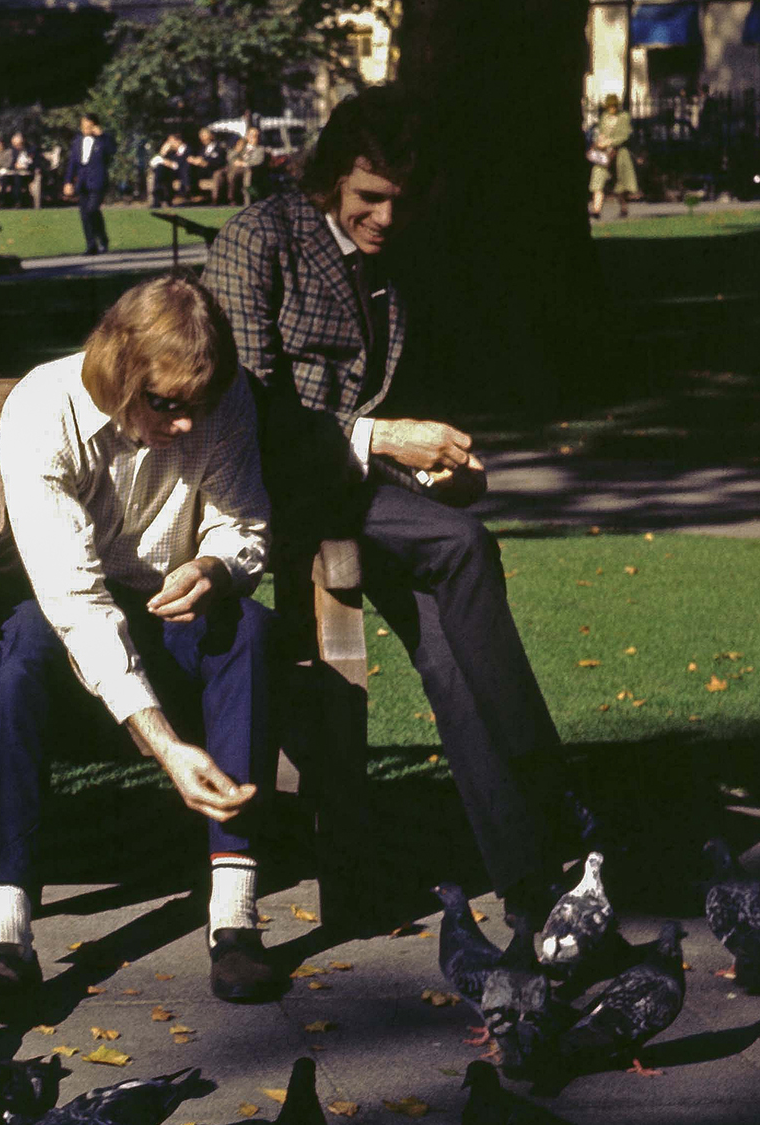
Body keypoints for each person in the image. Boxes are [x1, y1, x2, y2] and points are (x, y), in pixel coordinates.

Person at [203, 85, 565, 927]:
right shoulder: (259, 240)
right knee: (465, 548)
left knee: (447, 644)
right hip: (276, 494)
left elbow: (410, 386)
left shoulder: (402, 254)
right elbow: (245, 412)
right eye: (370, 199)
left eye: (402, 201)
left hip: (366, 496)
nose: (387, 219)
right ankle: (547, 788)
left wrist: (446, 467)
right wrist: (386, 439)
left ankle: (528, 881)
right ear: (331, 178)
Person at [0, 274, 281, 1008]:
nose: (188, 426)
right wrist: (166, 744)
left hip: (173, 601)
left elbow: (246, 524)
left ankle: (235, 918)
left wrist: (216, 564)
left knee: (252, 632)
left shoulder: (219, 402)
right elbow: (74, 596)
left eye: (199, 406)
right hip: (66, 606)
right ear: (120, 371)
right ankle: (6, 930)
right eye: (167, 405)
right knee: (17, 661)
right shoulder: (42, 408)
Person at [63, 114, 113, 254]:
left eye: (89, 126)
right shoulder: (77, 141)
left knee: (92, 209)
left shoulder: (103, 140)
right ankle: (91, 245)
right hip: (82, 181)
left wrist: (102, 136)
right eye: (83, 126)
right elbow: (72, 163)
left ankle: (103, 239)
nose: (85, 129)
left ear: (95, 126)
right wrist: (68, 182)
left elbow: (111, 152)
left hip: (98, 180)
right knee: (84, 213)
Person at [588, 93, 637, 220]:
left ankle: (624, 207)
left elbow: (625, 135)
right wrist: (600, 141)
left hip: (619, 154)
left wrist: (610, 142)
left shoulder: (624, 117)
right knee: (597, 178)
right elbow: (600, 132)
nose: (612, 109)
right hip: (604, 155)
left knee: (620, 184)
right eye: (609, 106)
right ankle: (596, 209)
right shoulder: (604, 117)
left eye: (614, 106)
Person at [225, 117, 266, 206]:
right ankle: (232, 199)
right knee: (233, 173)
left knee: (248, 173)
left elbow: (258, 162)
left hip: (252, 171)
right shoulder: (242, 147)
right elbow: (230, 157)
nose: (254, 138)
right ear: (247, 137)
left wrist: (244, 164)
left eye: (256, 136)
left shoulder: (260, 149)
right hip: (237, 170)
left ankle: (247, 201)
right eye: (252, 136)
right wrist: (237, 151)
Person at [149, 132, 193, 206]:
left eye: (171, 141)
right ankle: (158, 199)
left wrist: (169, 163)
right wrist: (162, 153)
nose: (169, 144)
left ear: (179, 141)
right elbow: (160, 162)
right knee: (160, 168)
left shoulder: (188, 149)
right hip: (171, 173)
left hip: (183, 173)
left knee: (161, 171)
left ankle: (160, 199)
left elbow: (180, 165)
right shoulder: (171, 152)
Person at [192, 126, 230, 205]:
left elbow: (220, 161)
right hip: (202, 172)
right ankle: (192, 196)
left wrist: (206, 163)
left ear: (211, 136)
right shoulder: (202, 149)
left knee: (217, 175)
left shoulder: (219, 147)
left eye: (204, 135)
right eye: (201, 136)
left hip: (215, 170)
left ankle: (215, 201)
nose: (202, 138)